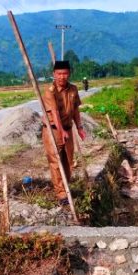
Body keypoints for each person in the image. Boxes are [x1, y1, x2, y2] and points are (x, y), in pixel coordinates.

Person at [42, 60, 86, 207]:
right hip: (52, 130)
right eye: (59, 73)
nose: (62, 76)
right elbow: (54, 113)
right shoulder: (50, 91)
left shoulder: (73, 89)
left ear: (69, 74)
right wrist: (61, 131)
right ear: (54, 74)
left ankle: (66, 187)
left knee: (68, 160)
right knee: (55, 161)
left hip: (67, 128)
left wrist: (79, 128)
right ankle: (61, 193)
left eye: (65, 73)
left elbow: (75, 110)